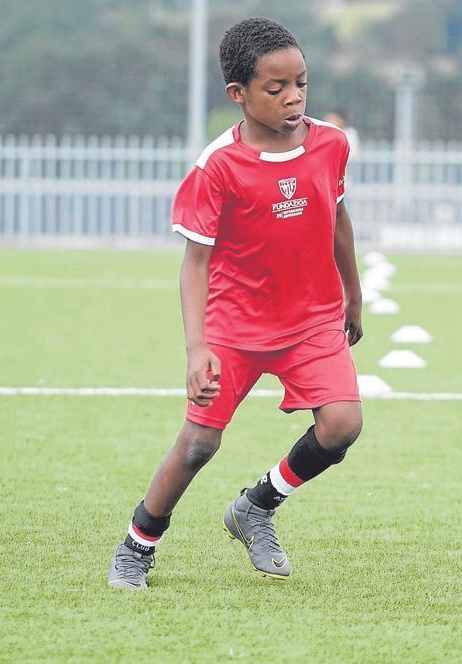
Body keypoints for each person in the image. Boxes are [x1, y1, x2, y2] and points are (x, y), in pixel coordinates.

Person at [107, 17, 364, 589]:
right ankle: (137, 543)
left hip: (313, 319)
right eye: (276, 89)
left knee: (343, 424)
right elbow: (193, 263)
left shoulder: (331, 144)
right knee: (199, 443)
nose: (293, 96)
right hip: (235, 324)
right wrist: (197, 348)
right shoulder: (217, 167)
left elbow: (338, 219)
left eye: (301, 82)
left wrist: (354, 292)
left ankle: (257, 505)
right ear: (239, 94)